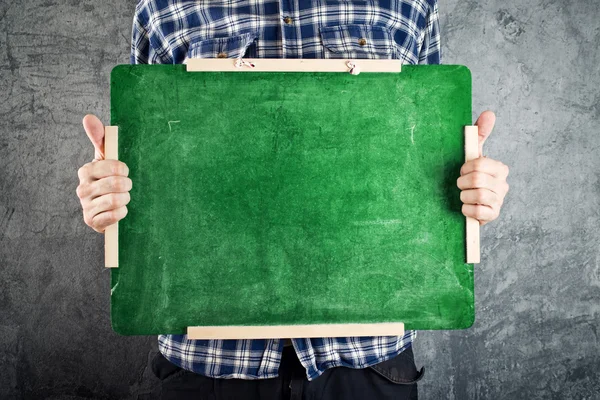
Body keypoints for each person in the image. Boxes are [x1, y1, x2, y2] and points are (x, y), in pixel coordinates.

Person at [76, 1, 510, 399]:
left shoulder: (408, 5)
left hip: (368, 361)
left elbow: (429, 152)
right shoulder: (164, 7)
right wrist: (111, 201)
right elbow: (147, 169)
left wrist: (473, 192)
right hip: (208, 366)